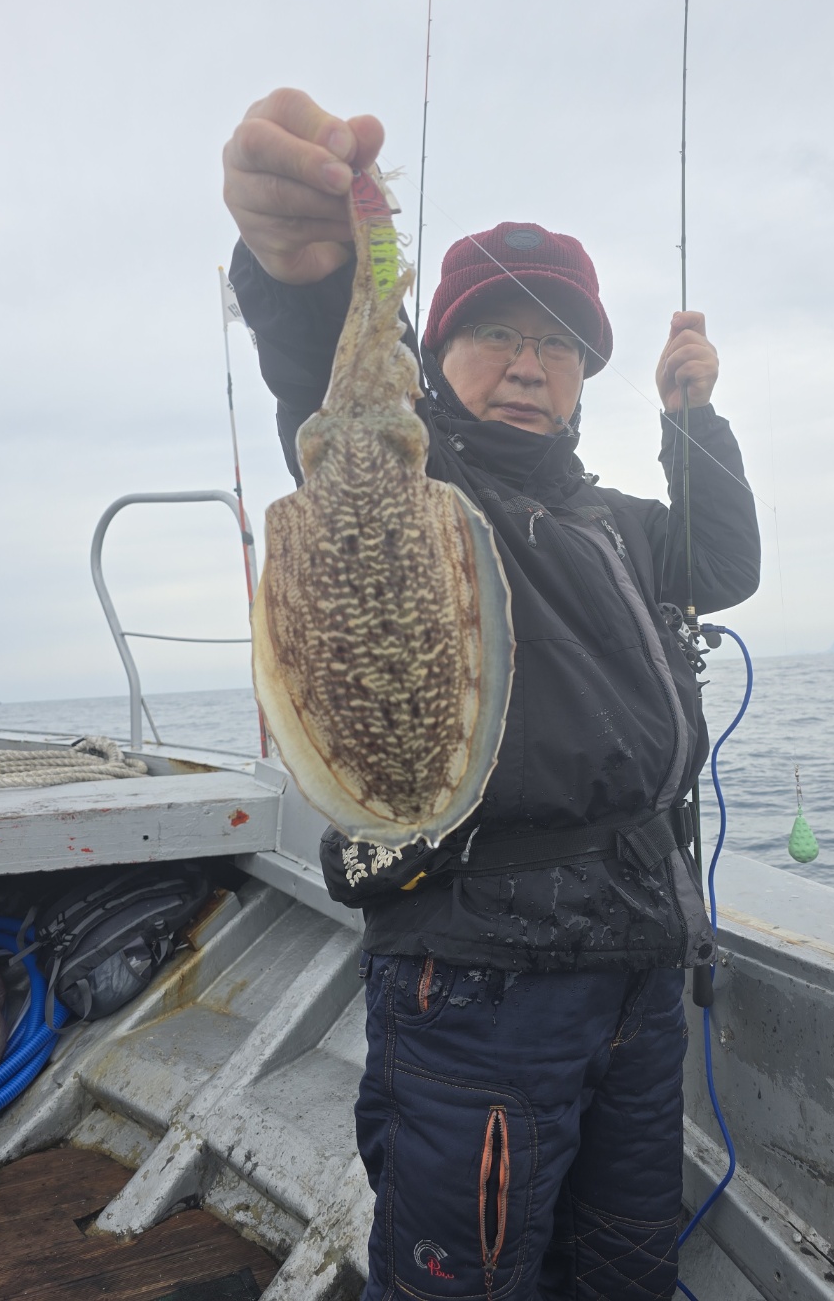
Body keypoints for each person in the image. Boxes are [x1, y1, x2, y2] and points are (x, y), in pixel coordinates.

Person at [223, 88, 760, 1301]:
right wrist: (313, 272)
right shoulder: (426, 472)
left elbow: (726, 563)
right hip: (481, 978)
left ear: (582, 377)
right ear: (437, 356)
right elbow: (331, 385)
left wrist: (693, 418)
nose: (529, 364)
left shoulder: (609, 519)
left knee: (623, 1264)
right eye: (498, 335)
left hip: (638, 955)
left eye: (559, 345)